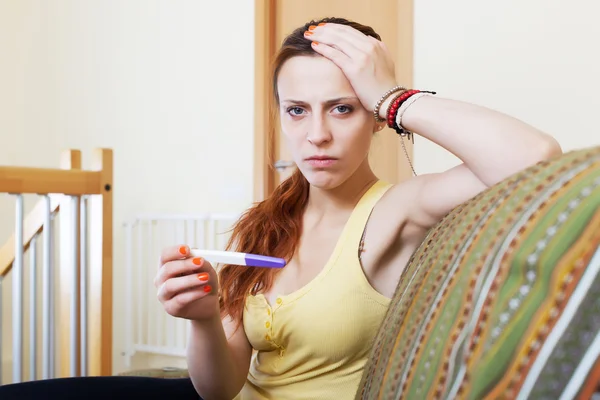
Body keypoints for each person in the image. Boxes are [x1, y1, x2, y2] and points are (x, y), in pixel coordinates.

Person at [0, 16, 561, 400]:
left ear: (374, 119)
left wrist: (392, 95)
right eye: (297, 111)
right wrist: (201, 319)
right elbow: (219, 387)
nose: (316, 134)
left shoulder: (396, 211)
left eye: (342, 109)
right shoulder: (266, 225)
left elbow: (535, 156)